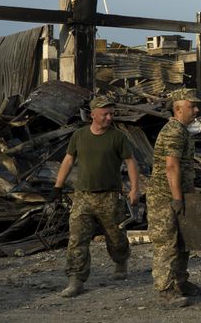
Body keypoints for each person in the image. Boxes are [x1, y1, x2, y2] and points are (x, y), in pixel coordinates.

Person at [53, 95, 140, 298]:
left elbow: (131, 162)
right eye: (105, 114)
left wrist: (134, 189)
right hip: (82, 196)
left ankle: (120, 261)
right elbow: (68, 160)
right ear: (93, 115)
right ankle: (76, 279)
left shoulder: (117, 137)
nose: (109, 118)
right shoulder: (79, 136)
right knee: (77, 239)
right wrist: (57, 186)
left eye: (111, 114)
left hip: (109, 196)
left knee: (116, 236)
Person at [148, 88, 201, 307]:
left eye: (197, 106)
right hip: (164, 197)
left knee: (183, 242)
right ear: (178, 108)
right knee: (166, 244)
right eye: (192, 106)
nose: (197, 110)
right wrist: (177, 198)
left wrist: (188, 192)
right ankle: (165, 290)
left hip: (177, 194)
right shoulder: (174, 131)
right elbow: (171, 166)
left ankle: (181, 282)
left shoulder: (183, 130)